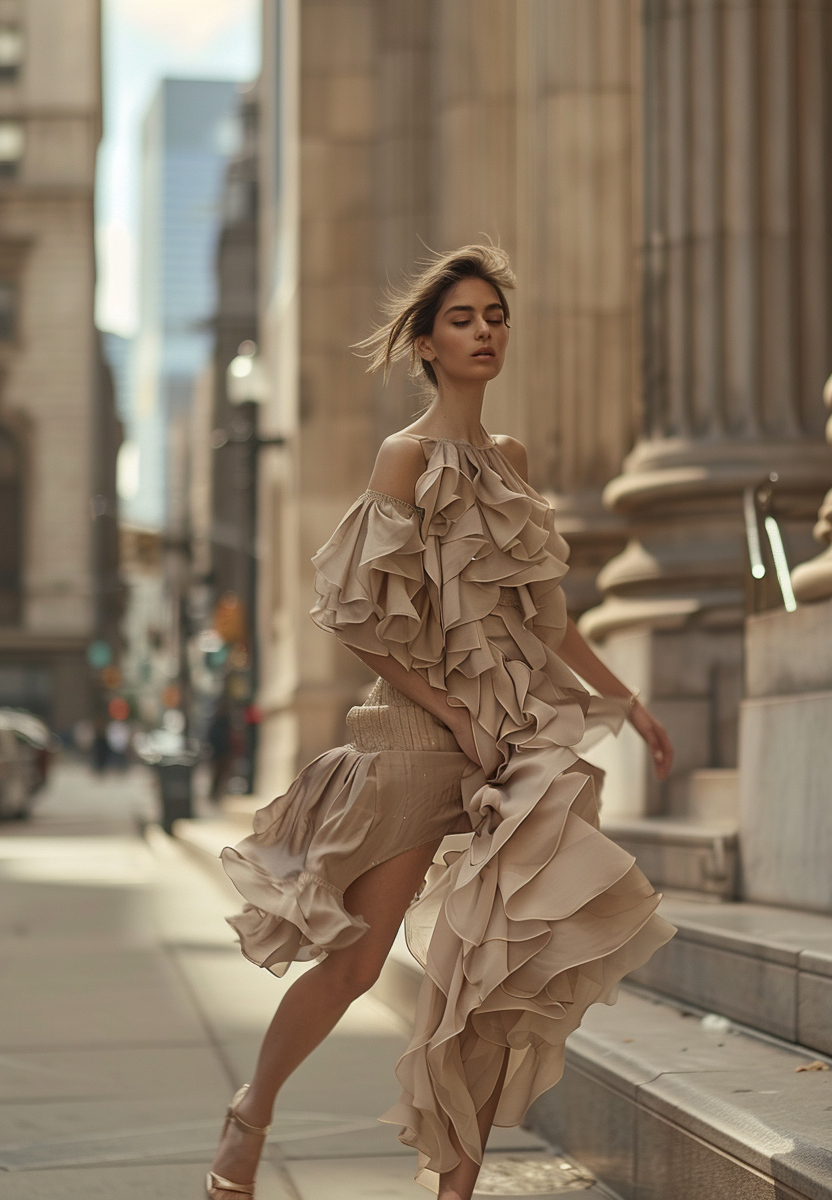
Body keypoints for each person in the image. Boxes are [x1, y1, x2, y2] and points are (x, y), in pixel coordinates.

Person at [207, 245, 676, 1200]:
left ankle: (455, 1192)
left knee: (495, 979)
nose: (485, 332)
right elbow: (352, 618)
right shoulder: (405, 457)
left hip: (517, 748)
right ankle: (249, 1113)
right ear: (426, 343)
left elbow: (547, 621)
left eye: (496, 317)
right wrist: (447, 710)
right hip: (424, 747)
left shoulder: (510, 463)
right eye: (463, 319)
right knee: (354, 968)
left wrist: (622, 698)